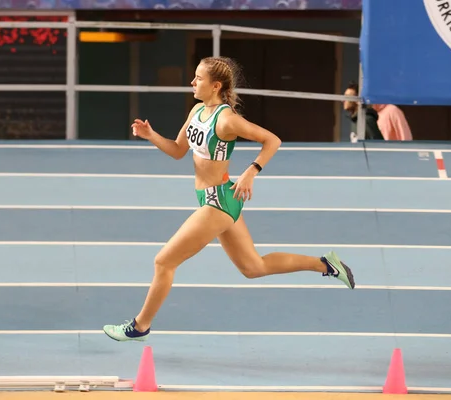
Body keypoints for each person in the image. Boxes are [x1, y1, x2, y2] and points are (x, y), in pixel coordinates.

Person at [103, 56, 356, 342]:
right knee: (254, 267)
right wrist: (150, 135)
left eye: (198, 78)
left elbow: (272, 140)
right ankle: (325, 264)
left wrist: (251, 171)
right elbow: (177, 150)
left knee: (163, 262)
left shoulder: (227, 120)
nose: (192, 82)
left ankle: (140, 326)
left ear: (215, 85)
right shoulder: (197, 111)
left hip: (218, 203)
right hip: (218, 200)